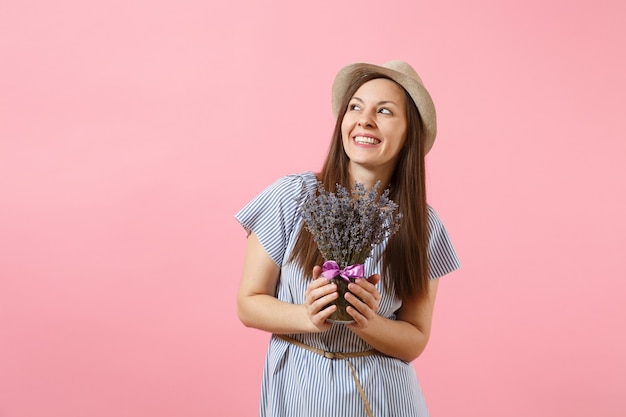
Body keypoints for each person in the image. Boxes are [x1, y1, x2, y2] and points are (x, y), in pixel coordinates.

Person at [235, 60, 460, 417]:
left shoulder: (423, 226)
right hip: (298, 393)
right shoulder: (292, 197)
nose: (365, 119)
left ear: (408, 134)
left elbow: (415, 338)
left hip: (384, 399)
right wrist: (309, 316)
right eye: (355, 106)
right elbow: (248, 303)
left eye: (384, 111)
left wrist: (368, 321)